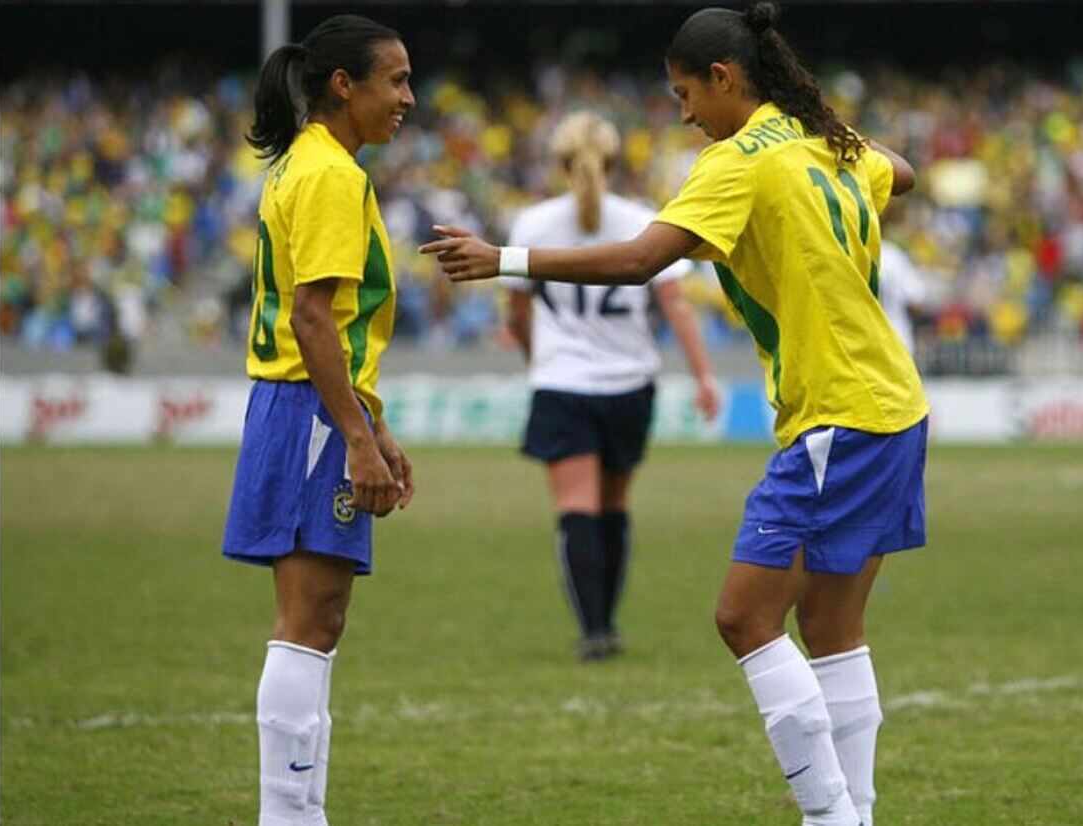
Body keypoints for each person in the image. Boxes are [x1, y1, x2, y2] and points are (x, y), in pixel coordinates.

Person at [421, 4, 925, 824]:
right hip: (893, 405)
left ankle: (832, 816)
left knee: (742, 617)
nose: (684, 113)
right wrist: (825, 134)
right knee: (833, 624)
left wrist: (502, 259)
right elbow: (899, 171)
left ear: (725, 79)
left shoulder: (736, 160)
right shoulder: (823, 144)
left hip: (842, 414)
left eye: (687, 93)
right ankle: (854, 813)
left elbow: (642, 259)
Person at [221, 15, 415, 826]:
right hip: (308, 410)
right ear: (345, 84)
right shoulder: (334, 175)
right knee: (310, 617)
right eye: (395, 80)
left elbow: (320, 324)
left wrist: (373, 425)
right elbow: (312, 321)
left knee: (318, 617)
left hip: (304, 405)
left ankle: (300, 812)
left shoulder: (305, 160)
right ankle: (288, 816)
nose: (408, 97)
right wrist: (357, 438)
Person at [501, 111, 720, 661]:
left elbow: (518, 315)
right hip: (629, 383)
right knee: (615, 507)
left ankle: (593, 628)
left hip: (562, 383)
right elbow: (676, 308)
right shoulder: (644, 220)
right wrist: (704, 376)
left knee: (576, 509)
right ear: (617, 161)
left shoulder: (533, 224)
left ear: (558, 163)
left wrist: (539, 361)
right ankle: (609, 623)